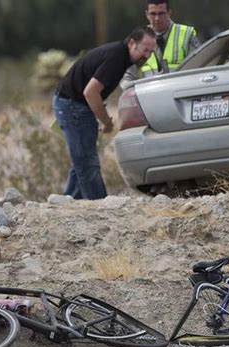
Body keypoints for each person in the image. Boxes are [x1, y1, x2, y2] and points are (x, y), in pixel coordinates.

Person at [52, 27, 156, 200]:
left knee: (82, 160)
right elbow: (90, 92)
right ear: (132, 43)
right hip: (72, 106)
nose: (147, 56)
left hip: (75, 105)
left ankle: (68, 202)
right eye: (145, 50)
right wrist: (106, 121)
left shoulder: (121, 56)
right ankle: (99, 207)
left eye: (151, 52)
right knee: (87, 163)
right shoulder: (116, 57)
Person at [120, 0, 199, 90]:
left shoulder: (186, 35)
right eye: (153, 14)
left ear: (169, 13)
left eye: (161, 13)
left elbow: (199, 68)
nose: (157, 18)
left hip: (180, 93)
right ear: (147, 14)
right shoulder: (138, 39)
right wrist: (137, 92)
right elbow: (126, 77)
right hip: (148, 96)